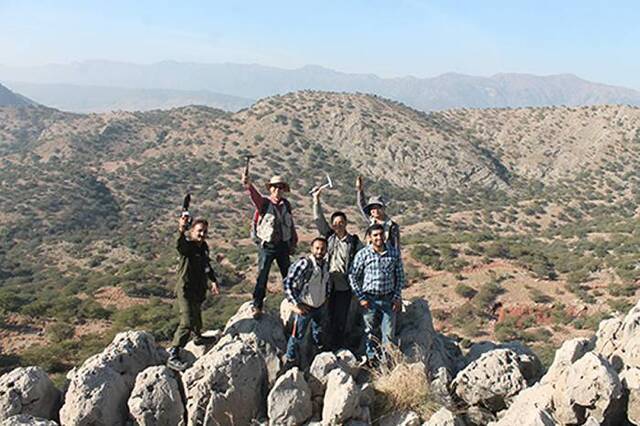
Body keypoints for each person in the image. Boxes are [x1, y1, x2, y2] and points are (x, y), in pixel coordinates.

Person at [242, 171, 298, 318]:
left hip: (283, 245)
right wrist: (249, 185)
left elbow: (290, 224)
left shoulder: (286, 205)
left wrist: (293, 241)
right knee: (262, 276)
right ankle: (257, 305)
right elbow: (255, 197)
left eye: (280, 187)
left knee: (288, 275)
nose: (278, 190)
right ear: (271, 189)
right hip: (267, 246)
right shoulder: (265, 203)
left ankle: (292, 300)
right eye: (275, 187)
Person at [167, 215, 220, 371]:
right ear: (192, 231)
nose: (202, 234)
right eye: (199, 231)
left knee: (196, 314)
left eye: (204, 231)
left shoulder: (203, 247)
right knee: (187, 321)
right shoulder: (188, 247)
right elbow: (180, 245)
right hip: (185, 288)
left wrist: (213, 280)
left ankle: (198, 337)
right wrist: (181, 229)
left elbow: (206, 265)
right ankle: (173, 354)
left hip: (198, 288)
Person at [312, 186, 363, 349]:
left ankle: (338, 345)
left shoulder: (354, 242)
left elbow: (363, 259)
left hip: (344, 285)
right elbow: (319, 219)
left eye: (341, 222)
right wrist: (316, 200)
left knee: (341, 316)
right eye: (335, 223)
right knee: (324, 315)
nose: (338, 225)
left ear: (346, 223)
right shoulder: (329, 237)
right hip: (326, 283)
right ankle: (323, 345)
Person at [349, 223, 405, 366]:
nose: (379, 237)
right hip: (369, 299)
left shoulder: (393, 253)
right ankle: (371, 359)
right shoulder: (363, 254)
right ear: (369, 237)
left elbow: (400, 276)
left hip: (389, 299)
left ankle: (387, 364)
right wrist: (361, 297)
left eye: (381, 234)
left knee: (389, 334)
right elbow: (353, 276)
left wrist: (397, 297)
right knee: (370, 331)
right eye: (375, 235)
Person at [283, 237, 330, 366]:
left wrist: (326, 297)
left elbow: (326, 283)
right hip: (306, 307)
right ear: (312, 249)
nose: (320, 251)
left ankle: (317, 354)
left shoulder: (325, 265)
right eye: (317, 248)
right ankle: (290, 359)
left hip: (319, 306)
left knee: (318, 332)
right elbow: (288, 283)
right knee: (297, 334)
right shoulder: (305, 264)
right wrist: (296, 304)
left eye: (323, 249)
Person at [356, 175, 401, 250]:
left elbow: (396, 246)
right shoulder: (370, 221)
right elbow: (361, 204)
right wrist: (360, 190)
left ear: (383, 208)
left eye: (377, 207)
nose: (375, 210)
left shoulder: (392, 226)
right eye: (372, 208)